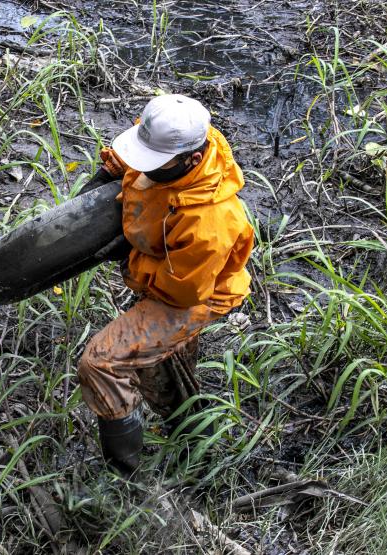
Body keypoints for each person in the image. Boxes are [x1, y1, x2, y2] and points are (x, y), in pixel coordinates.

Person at [77, 94, 255, 474]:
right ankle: (190, 433)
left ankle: (126, 479)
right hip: (169, 268)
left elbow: (180, 291)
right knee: (165, 366)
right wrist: (106, 174)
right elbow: (133, 155)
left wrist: (127, 256)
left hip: (192, 295)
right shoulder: (175, 135)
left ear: (191, 159)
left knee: (101, 362)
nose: (145, 169)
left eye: (154, 165)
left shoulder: (211, 222)